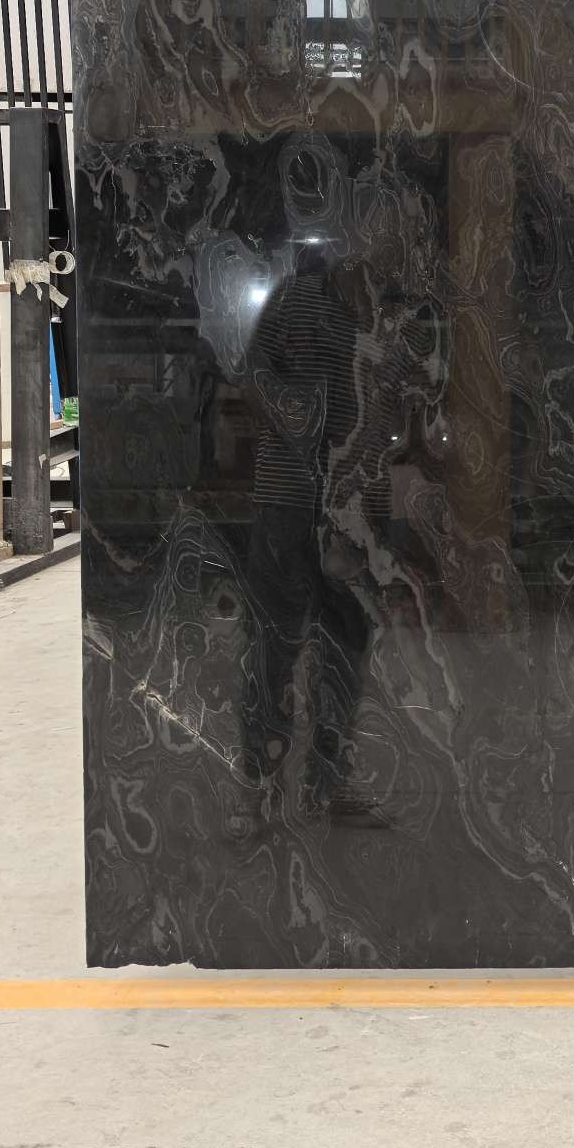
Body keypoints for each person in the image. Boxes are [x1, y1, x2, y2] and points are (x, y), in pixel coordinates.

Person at [234, 240, 386, 831]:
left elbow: (379, 400)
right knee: (274, 646)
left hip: (346, 504)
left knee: (342, 644)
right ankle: (261, 788)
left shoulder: (364, 308)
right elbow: (254, 375)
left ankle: (327, 782)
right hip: (289, 499)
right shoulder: (293, 299)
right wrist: (303, 420)